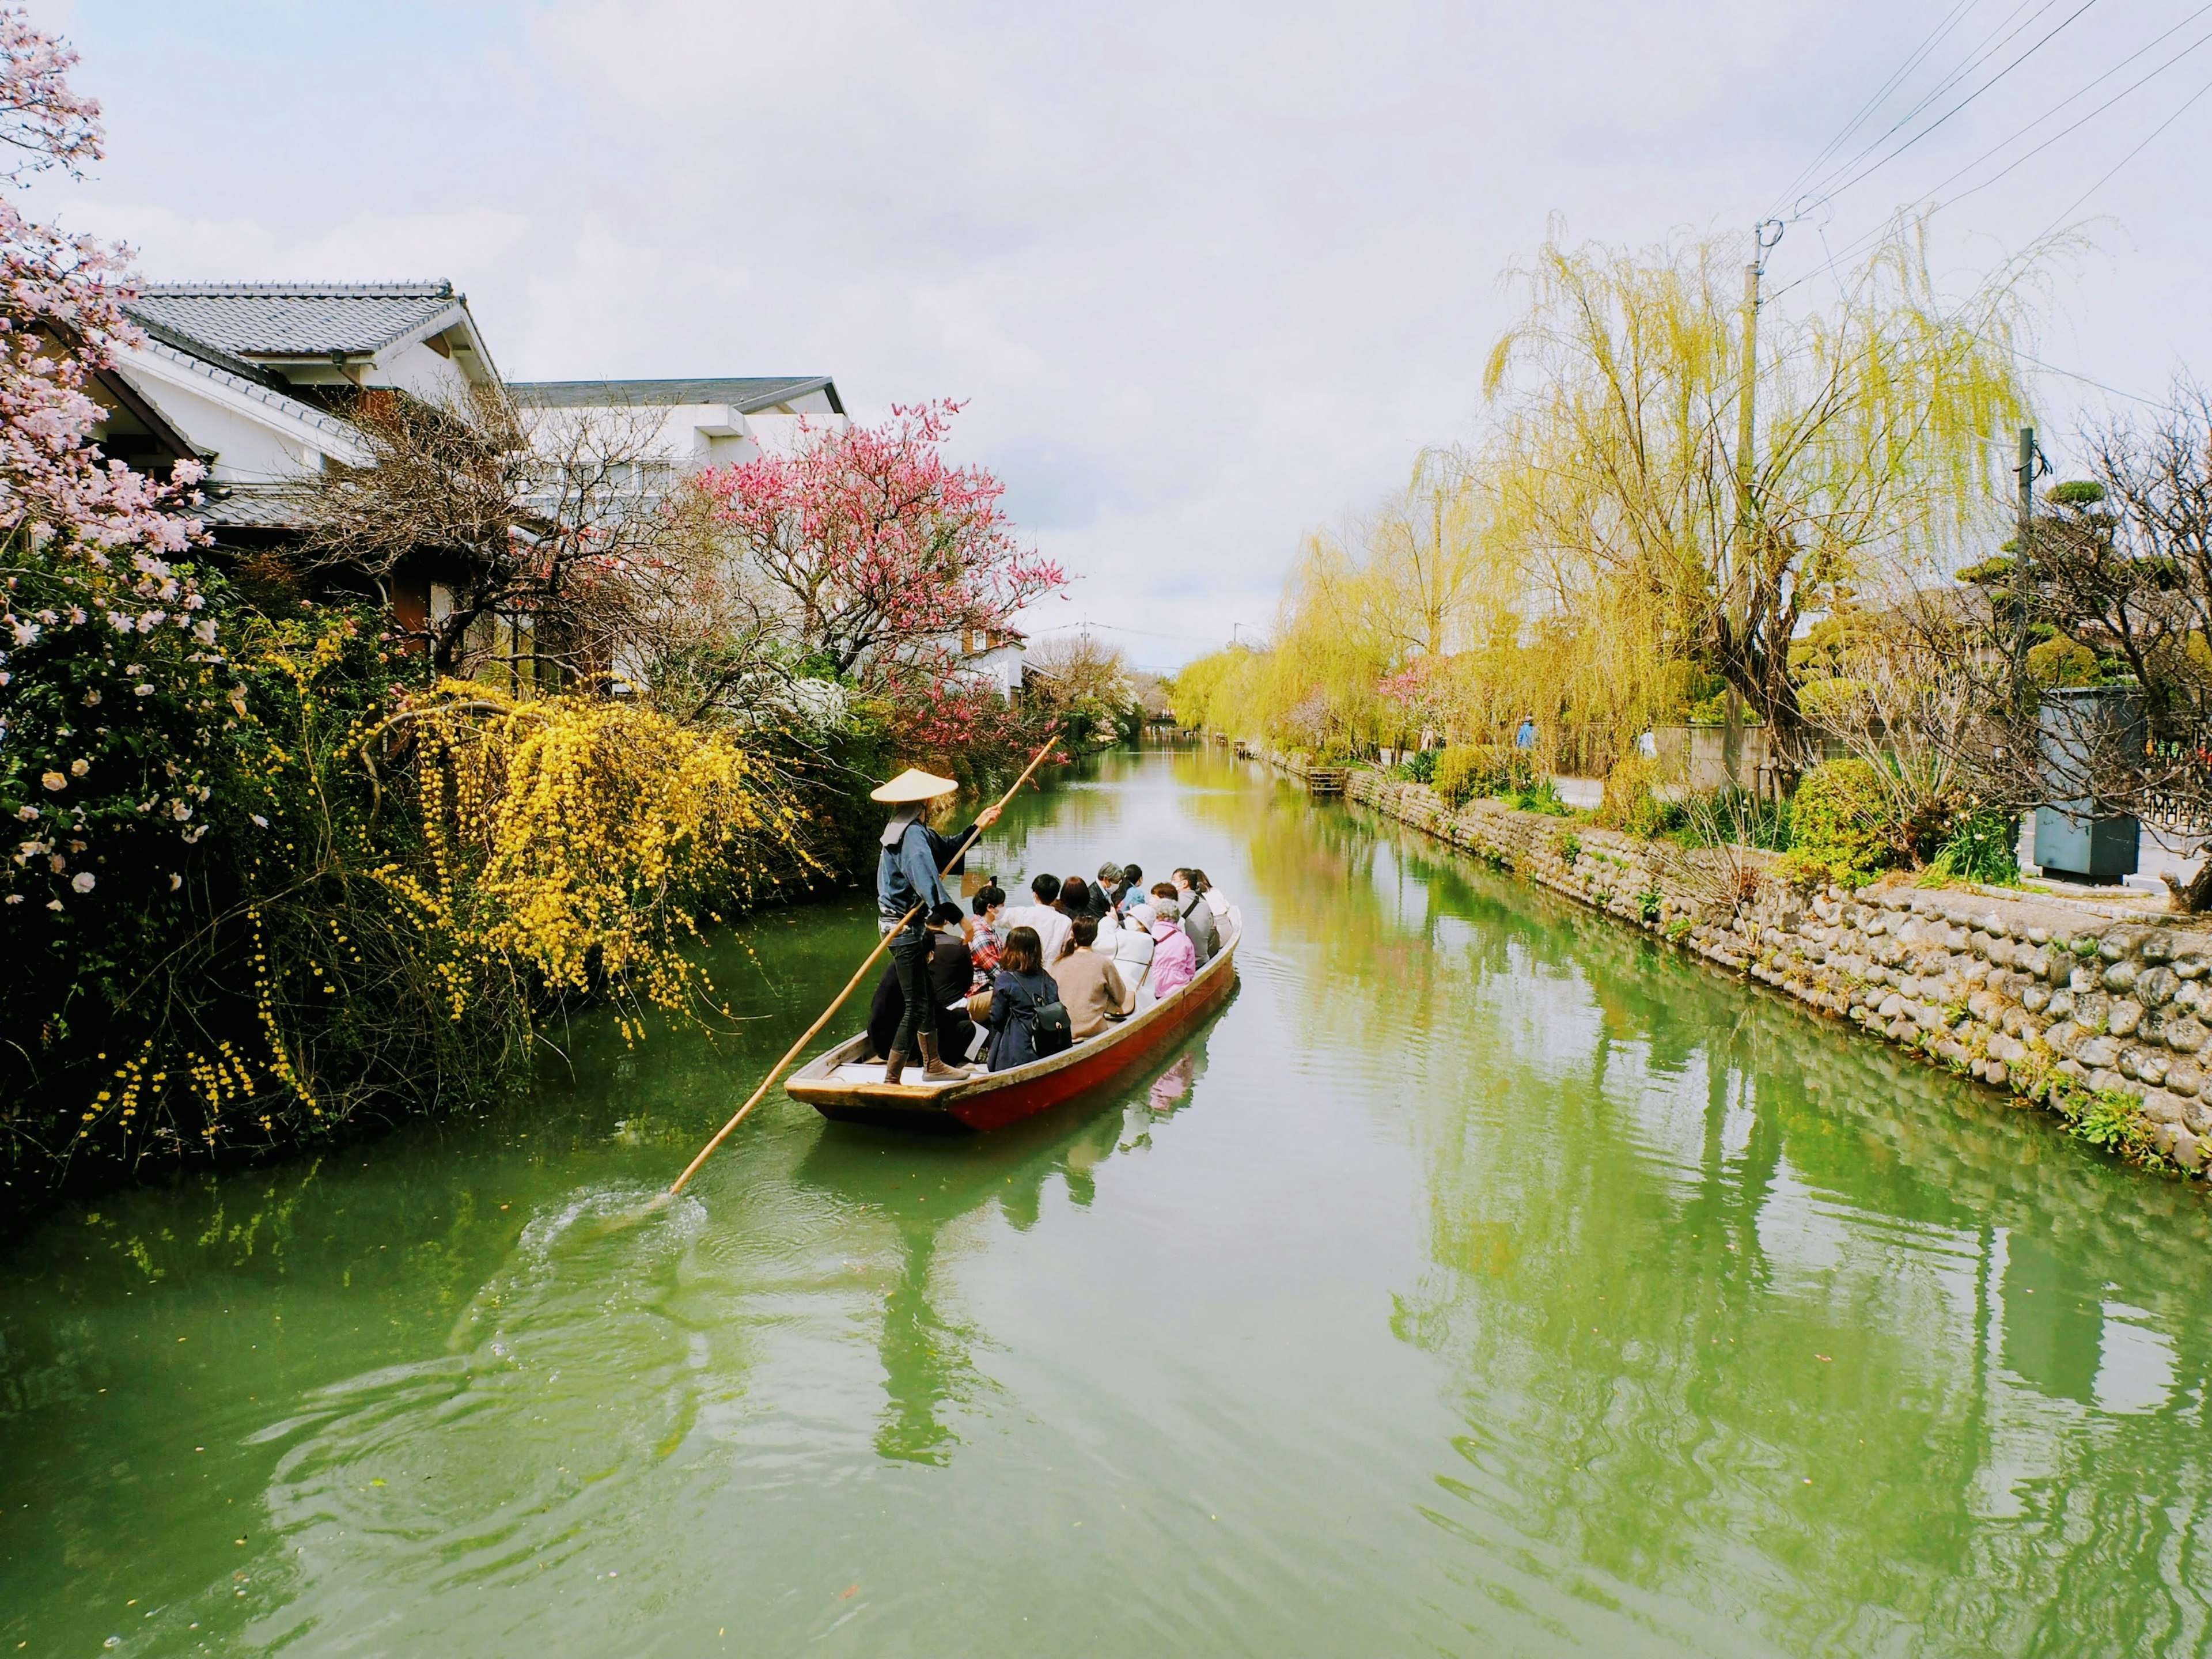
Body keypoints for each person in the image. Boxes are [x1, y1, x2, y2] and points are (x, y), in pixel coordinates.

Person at [874, 766, 999, 1084]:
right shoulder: (911, 834)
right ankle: (892, 1077)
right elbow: (929, 884)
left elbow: (947, 851)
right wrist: (962, 921)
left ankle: (933, 1064)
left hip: (909, 928)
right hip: (901, 929)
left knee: (926, 998)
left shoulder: (910, 828)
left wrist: (978, 826)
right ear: (926, 802)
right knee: (916, 1005)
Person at [985, 925, 1063, 1073]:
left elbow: (997, 1018)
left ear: (1010, 949)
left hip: (1017, 1052)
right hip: (1049, 1047)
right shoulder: (1047, 979)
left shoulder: (1005, 980)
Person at [1051, 914, 1134, 1040]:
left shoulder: (1058, 962)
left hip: (1063, 1031)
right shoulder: (1103, 963)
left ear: (1073, 934)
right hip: (1093, 1031)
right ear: (1095, 936)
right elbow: (1120, 997)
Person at [925, 902, 979, 1065]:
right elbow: (968, 982)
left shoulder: (914, 947)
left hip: (928, 1007)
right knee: (993, 998)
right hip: (954, 1004)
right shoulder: (958, 944)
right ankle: (976, 1054)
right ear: (947, 922)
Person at [1001, 872, 1071, 964]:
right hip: (1051, 973)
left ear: (1035, 895)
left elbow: (993, 917)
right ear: (1055, 898)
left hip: (1022, 970)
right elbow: (1066, 952)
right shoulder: (1065, 922)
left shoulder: (1019, 913)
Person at [1146, 895, 1198, 997]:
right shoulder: (1185, 940)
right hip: (1176, 989)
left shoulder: (1147, 934)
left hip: (1150, 986)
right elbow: (1191, 972)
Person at [1164, 874, 1217, 967]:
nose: (1171, 882)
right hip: (1203, 960)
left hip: (1184, 964)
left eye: (1173, 879)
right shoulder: (1204, 903)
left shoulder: (1175, 903)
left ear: (1185, 883)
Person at [968, 884, 1006, 992]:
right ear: (990, 908)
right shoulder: (980, 934)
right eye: (1001, 905)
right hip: (982, 989)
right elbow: (996, 971)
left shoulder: (986, 928)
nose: (1004, 908)